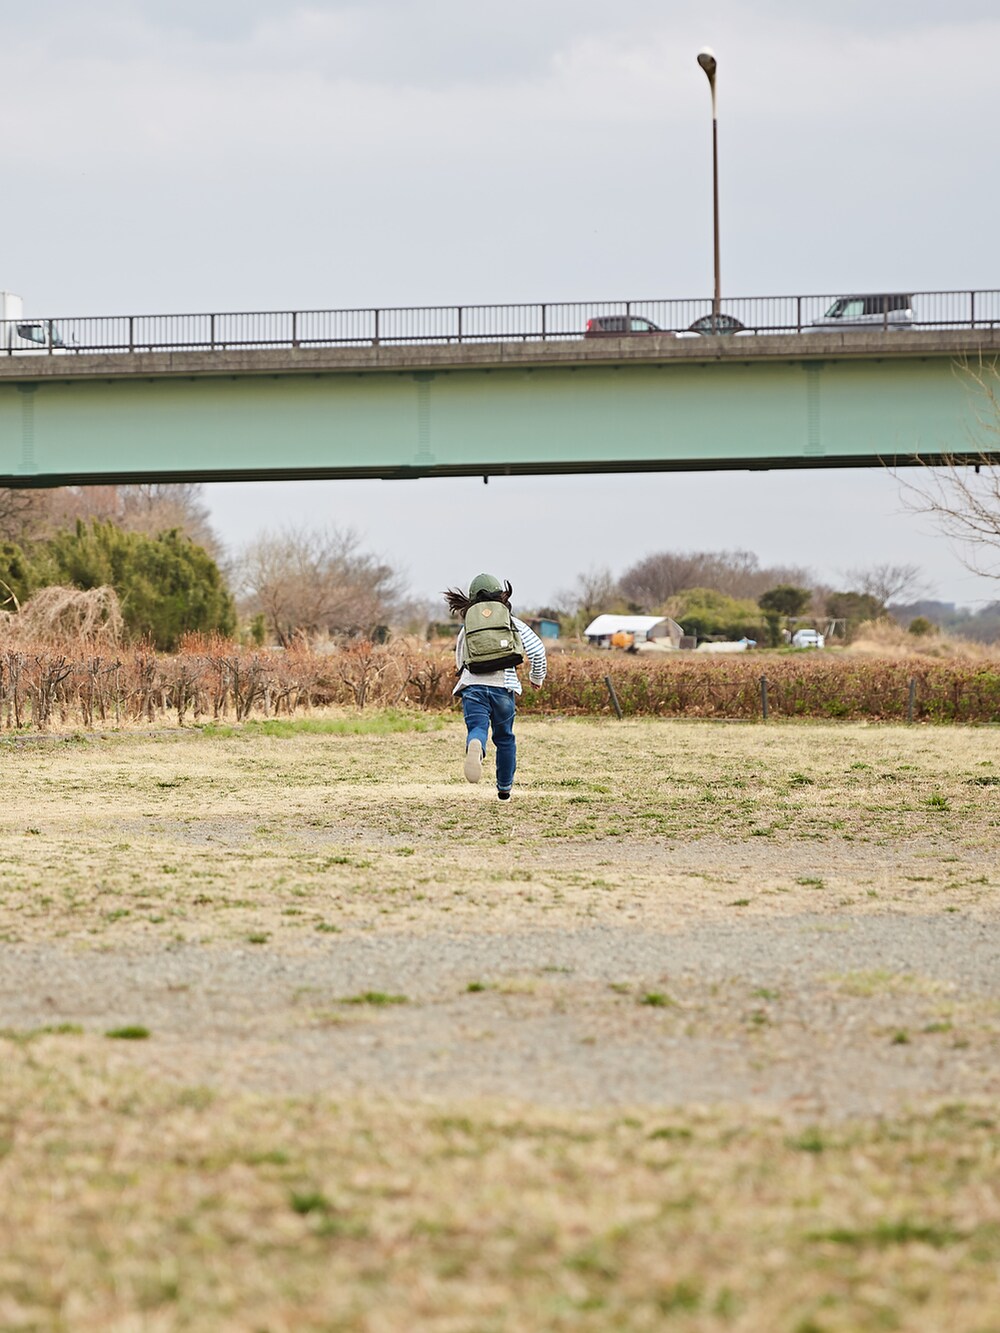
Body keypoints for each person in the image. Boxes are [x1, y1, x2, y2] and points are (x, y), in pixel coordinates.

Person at [444, 573, 546, 800]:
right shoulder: (511, 622)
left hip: (474, 687)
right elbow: (538, 650)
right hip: (503, 687)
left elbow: (460, 661)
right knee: (505, 738)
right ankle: (504, 789)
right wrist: (536, 677)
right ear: (501, 595)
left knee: (477, 729)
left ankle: (476, 746)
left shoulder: (467, 626)